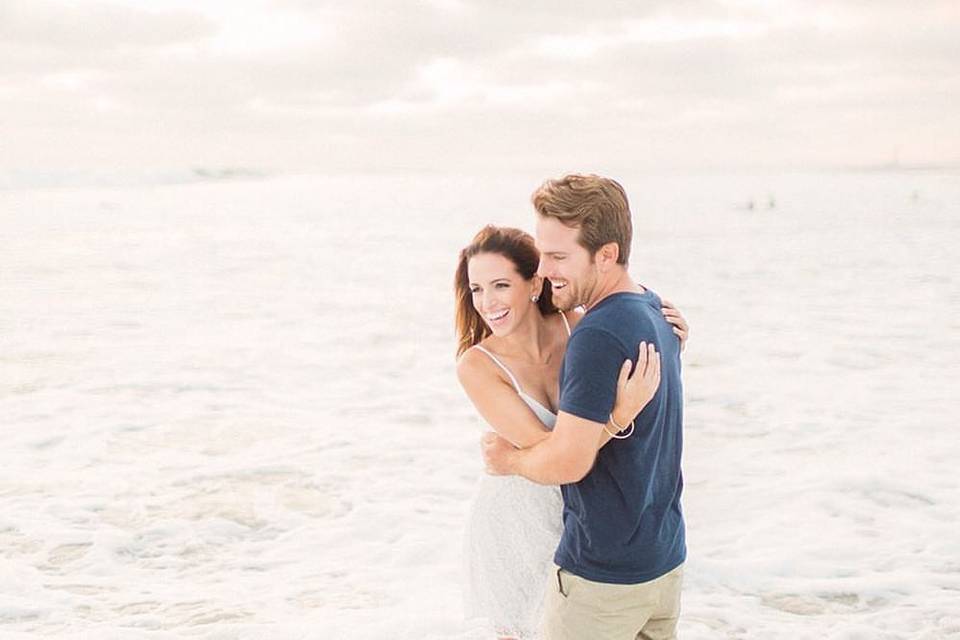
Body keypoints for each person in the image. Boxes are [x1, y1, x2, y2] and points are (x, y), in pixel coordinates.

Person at [455, 224, 688, 639]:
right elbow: (555, 452)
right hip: (518, 519)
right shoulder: (478, 366)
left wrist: (668, 338)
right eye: (476, 289)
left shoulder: (575, 325)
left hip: (580, 517)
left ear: (533, 283)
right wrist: (618, 415)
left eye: (500, 285)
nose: (487, 302)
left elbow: (629, 353)